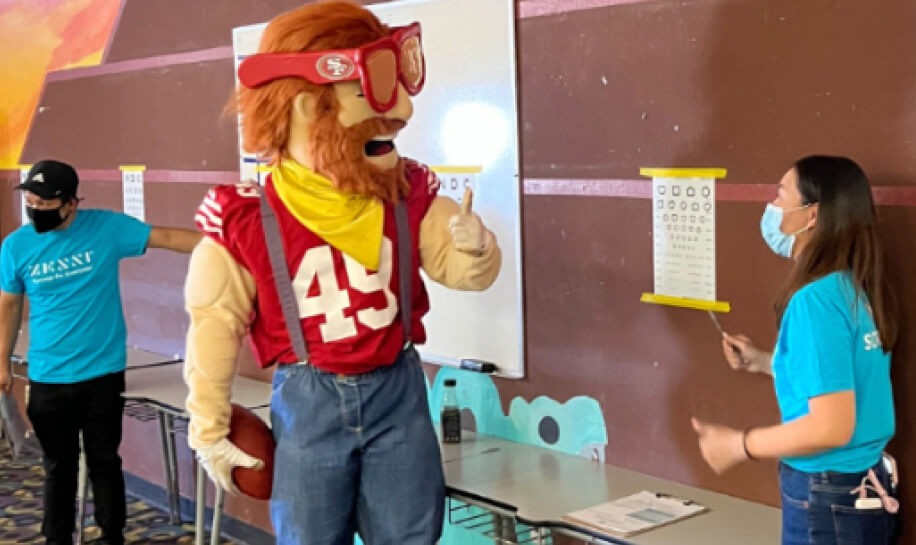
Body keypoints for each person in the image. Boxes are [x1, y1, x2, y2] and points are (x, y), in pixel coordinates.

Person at [182, 2, 502, 543]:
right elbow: (213, 322)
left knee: (408, 536)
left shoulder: (405, 193)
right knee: (308, 538)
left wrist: (475, 251)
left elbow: (463, 272)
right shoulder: (247, 217)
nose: (401, 110)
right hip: (309, 397)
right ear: (309, 106)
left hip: (397, 388)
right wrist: (209, 427)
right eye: (371, 92)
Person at [691, 155, 899, 544]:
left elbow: (830, 427)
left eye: (780, 194)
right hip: (860, 489)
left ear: (811, 215)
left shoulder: (814, 301)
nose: (772, 207)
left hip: (827, 496)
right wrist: (767, 363)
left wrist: (738, 445)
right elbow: (840, 378)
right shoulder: (853, 286)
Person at [0, 159, 202, 545]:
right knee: (58, 466)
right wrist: (2, 364)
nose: (35, 208)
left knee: (105, 462)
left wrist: (234, 247)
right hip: (47, 376)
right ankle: (56, 539)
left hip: (102, 376)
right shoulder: (15, 247)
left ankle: (113, 536)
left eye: (45, 202)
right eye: (30, 199)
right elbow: (8, 307)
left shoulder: (107, 228)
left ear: (71, 203)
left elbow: (170, 239)